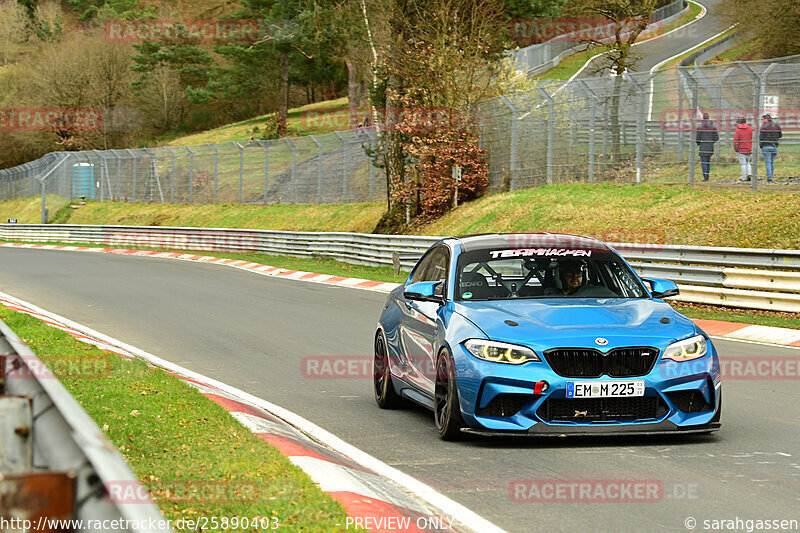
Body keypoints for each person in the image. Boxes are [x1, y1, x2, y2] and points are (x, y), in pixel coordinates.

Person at [696, 113, 719, 181]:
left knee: (703, 162)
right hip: (710, 147)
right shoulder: (713, 127)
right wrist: (711, 142)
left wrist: (700, 144)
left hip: (703, 146)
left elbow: (697, 138)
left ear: (703, 118)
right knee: (708, 161)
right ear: (709, 118)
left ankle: (705, 176)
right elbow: (716, 137)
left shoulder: (700, 127)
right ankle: (707, 175)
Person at [759, 113, 782, 182]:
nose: (762, 121)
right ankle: (771, 176)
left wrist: (761, 145)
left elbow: (761, 137)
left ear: (766, 119)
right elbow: (780, 135)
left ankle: (769, 178)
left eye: (762, 119)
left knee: (768, 163)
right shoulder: (776, 125)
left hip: (766, 146)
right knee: (772, 162)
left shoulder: (763, 126)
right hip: (774, 146)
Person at [733, 117, 753, 182]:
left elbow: (736, 140)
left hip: (741, 149)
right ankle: (750, 174)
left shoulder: (738, 130)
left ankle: (743, 178)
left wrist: (736, 148)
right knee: (748, 163)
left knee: (743, 164)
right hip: (749, 148)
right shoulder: (750, 129)